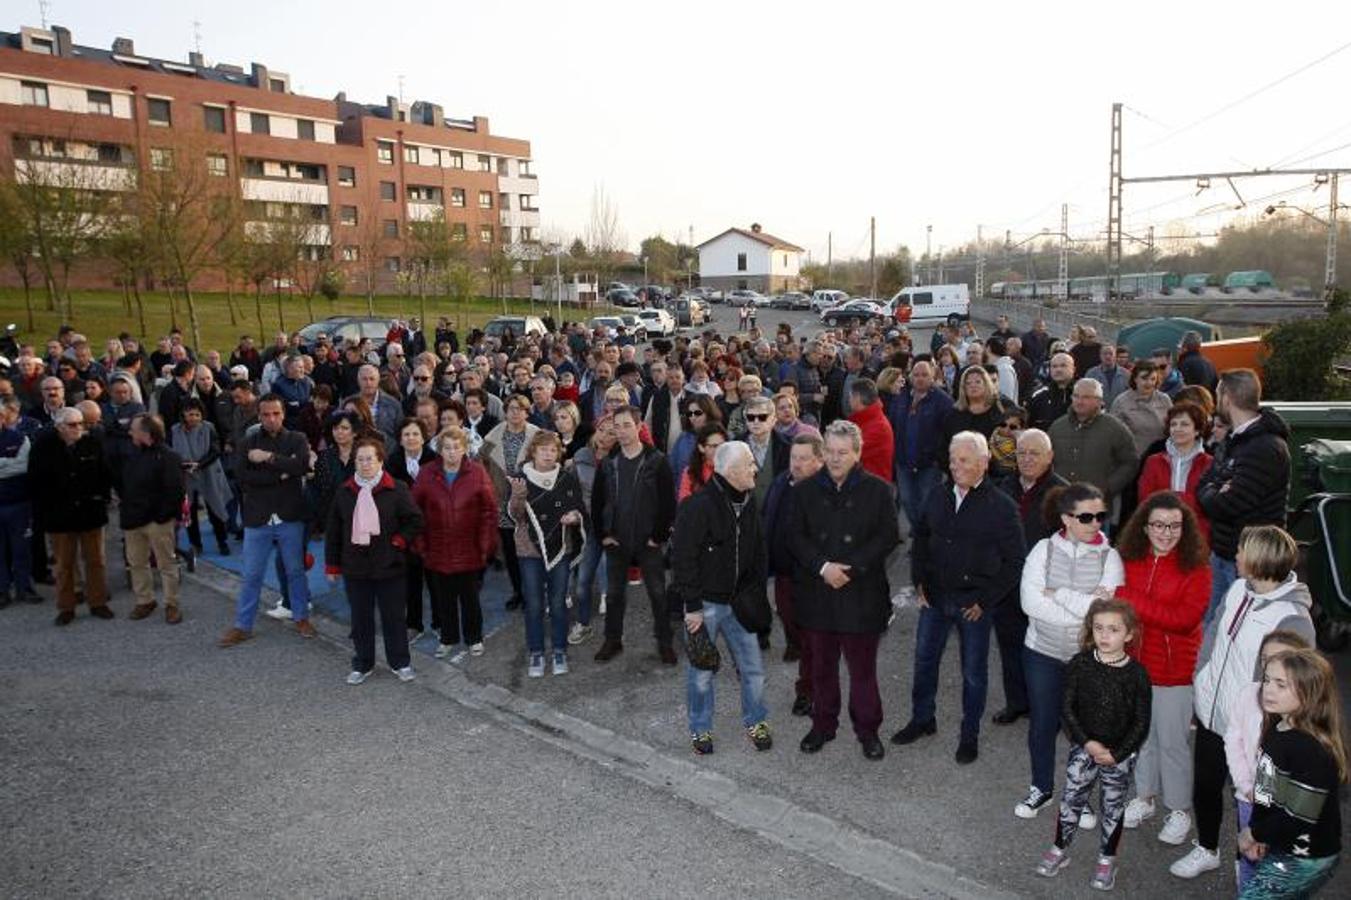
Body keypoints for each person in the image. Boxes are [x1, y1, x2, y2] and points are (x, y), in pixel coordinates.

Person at [1172, 525, 1315, 880]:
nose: (1235, 555)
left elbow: (1298, 685)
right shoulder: (1237, 589)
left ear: (1259, 560)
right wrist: (1201, 678)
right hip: (1212, 713)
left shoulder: (1292, 617)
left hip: (1255, 732)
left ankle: (1247, 863)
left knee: (1251, 800)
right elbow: (1214, 635)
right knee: (1205, 785)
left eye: (1241, 550)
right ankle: (1207, 848)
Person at [898, 431, 1025, 765]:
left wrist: (986, 600)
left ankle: (970, 736)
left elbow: (1014, 562)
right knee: (924, 662)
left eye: (964, 460)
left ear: (984, 463)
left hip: (974, 605)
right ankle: (922, 719)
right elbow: (921, 538)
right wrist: (919, 581)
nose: (956, 466)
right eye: (953, 460)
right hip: (936, 598)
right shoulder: (937, 495)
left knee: (973, 674)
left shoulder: (1002, 507)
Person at [788, 420, 899, 760]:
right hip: (818, 593)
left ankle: (868, 731)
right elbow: (795, 536)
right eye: (830, 452)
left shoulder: (879, 490)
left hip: (861, 594)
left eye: (842, 452)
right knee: (822, 668)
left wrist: (849, 569)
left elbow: (887, 537)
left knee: (862, 671)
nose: (835, 459)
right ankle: (823, 725)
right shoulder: (803, 491)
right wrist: (823, 567)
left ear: (857, 453)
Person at [1014, 481, 1124, 819]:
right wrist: (1082, 609)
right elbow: (1029, 603)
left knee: (1084, 730)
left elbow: (1103, 612)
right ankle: (1042, 789)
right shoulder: (1042, 551)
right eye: (1086, 517)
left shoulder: (1111, 556)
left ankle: (1079, 797)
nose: (1096, 524)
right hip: (1041, 653)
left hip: (1086, 659)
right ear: (1066, 519)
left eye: (1101, 516)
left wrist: (1057, 593)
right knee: (1043, 724)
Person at [1113, 491, 1212, 846]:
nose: (1166, 533)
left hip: (1174, 673)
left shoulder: (1196, 568)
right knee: (1143, 739)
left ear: (1185, 528)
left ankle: (1179, 810)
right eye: (1158, 525)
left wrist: (1131, 599)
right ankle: (1145, 798)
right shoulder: (1130, 560)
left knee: (1173, 744)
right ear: (1144, 526)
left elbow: (1184, 621)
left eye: (1174, 526)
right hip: (1136, 667)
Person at [1032, 599, 1151, 893]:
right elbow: (1067, 708)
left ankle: (1107, 859)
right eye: (1098, 628)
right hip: (1084, 749)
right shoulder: (1080, 663)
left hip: (1119, 755)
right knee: (1071, 798)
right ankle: (1059, 849)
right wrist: (1087, 743)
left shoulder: (1137, 675)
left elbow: (1141, 722)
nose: (1104, 635)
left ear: (1129, 634)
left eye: (1113, 629)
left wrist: (1117, 754)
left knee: (1112, 807)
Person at [674, 441, 772, 755]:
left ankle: (755, 720)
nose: (754, 468)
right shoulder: (698, 507)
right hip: (705, 605)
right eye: (748, 464)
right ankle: (700, 729)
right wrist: (692, 608)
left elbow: (758, 552)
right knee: (701, 673)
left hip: (740, 602)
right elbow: (683, 559)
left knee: (753, 669)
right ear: (729, 471)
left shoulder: (750, 501)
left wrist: (755, 592)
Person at [1237, 648, 1346, 897]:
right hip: (1281, 842)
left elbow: (1297, 818)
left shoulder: (1312, 750)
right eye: (1267, 680)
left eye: (1281, 684)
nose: (1268, 689)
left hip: (1305, 855)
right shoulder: (1278, 726)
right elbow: (1266, 792)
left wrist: (1252, 833)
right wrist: (1259, 833)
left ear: (1311, 693)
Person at [324, 438, 424, 685]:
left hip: (390, 566)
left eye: (370, 458)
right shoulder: (345, 491)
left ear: (380, 460)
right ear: (354, 463)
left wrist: (399, 542)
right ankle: (363, 663)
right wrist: (332, 565)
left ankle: (400, 662)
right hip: (355, 567)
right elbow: (334, 530)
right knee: (361, 618)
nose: (365, 464)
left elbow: (415, 520)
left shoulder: (397, 488)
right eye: (360, 459)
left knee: (394, 618)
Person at [1196, 369, 1290, 629]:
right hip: (1224, 554)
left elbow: (1229, 504)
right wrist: (1217, 488)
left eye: (1217, 394)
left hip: (1251, 564)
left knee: (1240, 633)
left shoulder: (1265, 447)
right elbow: (1203, 486)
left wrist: (1217, 491)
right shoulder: (1234, 440)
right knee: (1213, 628)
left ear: (1227, 398)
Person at [220, 395, 314, 647]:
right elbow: (243, 477)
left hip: (290, 516)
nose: (271, 419)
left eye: (276, 413)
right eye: (266, 414)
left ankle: (301, 616)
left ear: (283, 414)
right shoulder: (247, 442)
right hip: (257, 518)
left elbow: (301, 466)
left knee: (295, 571)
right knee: (252, 574)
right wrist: (281, 475)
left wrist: (269, 459)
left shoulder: (297, 439)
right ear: (259, 416)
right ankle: (243, 625)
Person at [1222, 629, 1312, 893]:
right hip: (1248, 798)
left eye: (1280, 659)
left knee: (1281, 866)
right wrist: (1246, 784)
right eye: (1264, 660)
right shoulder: (1248, 694)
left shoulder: (1301, 718)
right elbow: (1233, 739)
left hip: (1284, 810)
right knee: (1250, 855)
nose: (1268, 666)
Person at [992, 428, 1068, 726]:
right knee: (1010, 647)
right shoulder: (1001, 487)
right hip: (1007, 585)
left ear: (1049, 457)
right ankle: (1017, 703)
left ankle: (1050, 709)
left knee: (1047, 652)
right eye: (1021, 453)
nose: (1026, 459)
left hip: (1044, 589)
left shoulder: (1062, 493)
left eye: (1034, 453)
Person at [590, 405, 676, 663]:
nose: (622, 431)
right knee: (615, 595)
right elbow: (597, 501)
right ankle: (613, 641)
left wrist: (657, 537)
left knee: (658, 594)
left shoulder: (657, 460)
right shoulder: (608, 463)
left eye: (627, 425)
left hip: (648, 542)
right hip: (617, 541)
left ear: (639, 427)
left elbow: (668, 503)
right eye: (617, 426)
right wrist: (603, 535)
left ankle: (665, 642)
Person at [413, 426, 497, 658]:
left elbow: (489, 511)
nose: (452, 452)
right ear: (439, 450)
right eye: (447, 448)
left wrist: (485, 545)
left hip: (469, 547)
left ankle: (474, 638)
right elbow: (415, 512)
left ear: (465, 449)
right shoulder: (426, 473)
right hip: (437, 548)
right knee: (443, 599)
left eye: (457, 447)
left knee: (470, 598)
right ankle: (448, 638)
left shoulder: (478, 472)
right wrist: (421, 544)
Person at [509, 430, 587, 678]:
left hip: (561, 548)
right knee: (533, 603)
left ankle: (560, 650)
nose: (548, 454)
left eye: (553, 450)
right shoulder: (521, 478)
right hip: (529, 550)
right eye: (543, 449)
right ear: (533, 451)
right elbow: (515, 515)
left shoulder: (565, 478)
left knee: (557, 602)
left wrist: (575, 517)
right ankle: (536, 652)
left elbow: (578, 508)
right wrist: (518, 496)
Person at [30, 407, 112, 625]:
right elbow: (36, 483)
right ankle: (66, 607)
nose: (78, 428)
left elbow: (105, 473)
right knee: (64, 565)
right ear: (59, 427)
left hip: (90, 513)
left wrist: (102, 498)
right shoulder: (43, 448)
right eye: (72, 425)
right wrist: (45, 511)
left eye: (81, 424)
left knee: (96, 561)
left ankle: (98, 602)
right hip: (60, 517)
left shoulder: (92, 443)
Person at [119, 414, 187, 622]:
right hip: (133, 519)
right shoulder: (130, 455)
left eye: (134, 429)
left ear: (146, 433)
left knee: (166, 564)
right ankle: (144, 601)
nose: (130, 432)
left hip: (158, 521)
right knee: (136, 563)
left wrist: (162, 517)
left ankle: (171, 604)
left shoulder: (169, 457)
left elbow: (175, 491)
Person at [1046, 379, 1138, 507]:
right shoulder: (1057, 427)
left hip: (1097, 504)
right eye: (1076, 396)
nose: (1079, 401)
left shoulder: (1115, 428)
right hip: (1062, 502)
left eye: (1086, 397)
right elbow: (1046, 461)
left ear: (1099, 401)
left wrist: (1108, 488)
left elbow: (1130, 462)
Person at [386, 418, 437, 642]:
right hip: (405, 529)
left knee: (436, 579)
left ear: (423, 437)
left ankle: (440, 622)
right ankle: (413, 623)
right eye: (406, 434)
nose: (411, 438)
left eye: (415, 434)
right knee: (410, 580)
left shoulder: (435, 460)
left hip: (432, 528)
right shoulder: (392, 462)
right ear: (400, 438)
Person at [889, 360, 954, 531]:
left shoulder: (943, 402)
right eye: (916, 375)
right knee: (907, 500)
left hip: (929, 464)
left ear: (933, 377)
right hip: (903, 461)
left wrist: (937, 456)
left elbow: (948, 432)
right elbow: (893, 423)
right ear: (910, 376)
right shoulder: (901, 396)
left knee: (926, 503)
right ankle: (920, 533)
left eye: (925, 375)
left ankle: (922, 538)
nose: (920, 379)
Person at [566, 416, 615, 643]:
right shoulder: (580, 458)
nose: (604, 436)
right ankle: (582, 623)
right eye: (601, 430)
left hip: (616, 528)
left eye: (611, 433)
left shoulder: (622, 461)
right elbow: (572, 492)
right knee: (583, 581)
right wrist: (575, 513)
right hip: (590, 529)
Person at [1136, 402, 1213, 540]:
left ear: (1197, 430)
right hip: (1159, 534)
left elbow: (1207, 503)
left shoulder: (1209, 463)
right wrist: (1184, 498)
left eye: (1184, 424)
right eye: (1173, 424)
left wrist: (1168, 498)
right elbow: (1145, 499)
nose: (1178, 428)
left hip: (1196, 535)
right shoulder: (1153, 461)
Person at [170, 398, 232, 559]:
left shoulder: (208, 428)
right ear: (183, 414)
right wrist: (182, 465)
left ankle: (222, 541)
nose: (194, 418)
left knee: (215, 508)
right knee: (189, 511)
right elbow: (170, 452)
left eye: (197, 415)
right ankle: (195, 543)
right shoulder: (174, 430)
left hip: (208, 472)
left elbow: (215, 450)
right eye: (190, 414)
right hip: (186, 475)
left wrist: (199, 464)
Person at [0, 397, 37, 606]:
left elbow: (22, 466)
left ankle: (25, 588)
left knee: (21, 549)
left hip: (18, 504)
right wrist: (7, 463)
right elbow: (12, 465)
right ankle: (2, 590)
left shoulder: (19, 438)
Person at [1109, 360, 1173, 458]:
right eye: (1144, 378)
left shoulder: (1164, 399)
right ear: (1135, 378)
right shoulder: (1121, 402)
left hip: (1162, 456)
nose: (1149, 383)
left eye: (1153, 379)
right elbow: (1114, 434)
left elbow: (1173, 426)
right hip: (1135, 458)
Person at [846, 378, 894, 485]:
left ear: (857, 398)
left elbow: (849, 453)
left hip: (872, 490)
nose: (848, 400)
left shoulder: (878, 427)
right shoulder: (864, 420)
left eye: (850, 396)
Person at [677, 422, 727, 503]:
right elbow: (684, 503)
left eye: (722, 445)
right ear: (701, 448)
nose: (719, 450)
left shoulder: (732, 469)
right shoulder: (691, 472)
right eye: (714, 446)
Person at [1027, 353, 1076, 431]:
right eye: (1054, 366)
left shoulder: (1083, 394)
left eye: (1063, 366)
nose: (1058, 370)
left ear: (1073, 369)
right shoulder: (1038, 396)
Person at [1085, 343, 1130, 408]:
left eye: (1111, 354)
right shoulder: (1091, 374)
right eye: (1105, 354)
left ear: (1115, 356)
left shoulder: (1126, 374)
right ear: (1100, 356)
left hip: (1119, 412)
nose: (1108, 356)